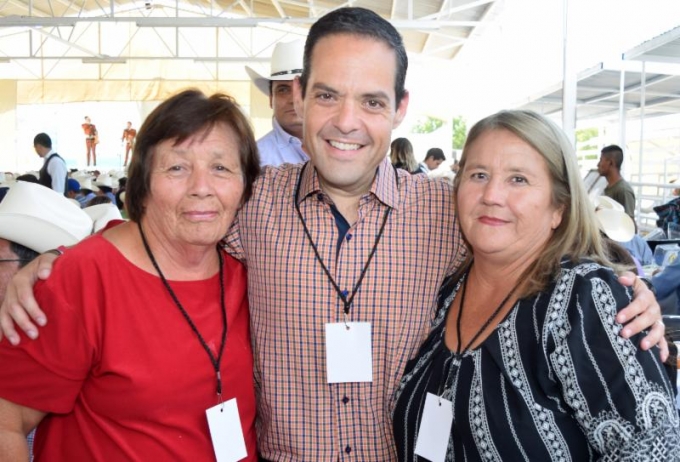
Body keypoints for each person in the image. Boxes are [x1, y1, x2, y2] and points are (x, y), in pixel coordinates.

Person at [0, 8, 665, 462]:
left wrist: (626, 290)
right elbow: (168, 226)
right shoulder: (251, 204)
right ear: (299, 97)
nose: (347, 121)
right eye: (327, 96)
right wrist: (50, 261)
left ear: (399, 108)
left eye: (371, 101)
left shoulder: (450, 211)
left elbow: (538, 239)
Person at [393, 110, 679, 461]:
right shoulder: (446, 287)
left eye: (518, 179)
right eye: (479, 175)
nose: (491, 194)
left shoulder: (584, 301)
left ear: (559, 207)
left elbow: (655, 451)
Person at [0, 90, 259, 461]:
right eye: (177, 168)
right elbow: (6, 421)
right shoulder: (83, 279)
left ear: (245, 186)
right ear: (143, 183)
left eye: (221, 168)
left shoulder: (248, 271)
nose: (202, 187)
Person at [246, 39, 308, 166]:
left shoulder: (341, 148)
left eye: (302, 88)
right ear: (271, 99)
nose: (293, 100)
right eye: (283, 90)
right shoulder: (255, 160)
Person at [597, 144, 636, 220]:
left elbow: (629, 223)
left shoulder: (624, 190)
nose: (598, 164)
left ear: (611, 163)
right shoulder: (608, 188)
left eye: (601, 160)